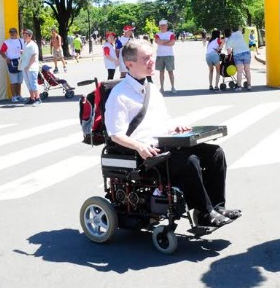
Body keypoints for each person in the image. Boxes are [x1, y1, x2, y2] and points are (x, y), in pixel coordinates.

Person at [105, 39, 240, 227]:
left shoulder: (152, 89)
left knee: (215, 153)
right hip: (144, 154)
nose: (152, 60)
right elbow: (115, 134)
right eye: (146, 58)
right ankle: (204, 212)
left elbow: (163, 121)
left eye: (152, 56)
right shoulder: (119, 95)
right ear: (129, 64)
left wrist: (176, 125)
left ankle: (217, 206)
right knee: (189, 161)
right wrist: (139, 146)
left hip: (166, 143)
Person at [0, 27, 24, 103]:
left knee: (19, 81)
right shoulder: (6, 42)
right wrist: (6, 58)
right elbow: (1, 51)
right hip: (12, 62)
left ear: (17, 33)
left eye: (13, 32)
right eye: (10, 32)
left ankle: (19, 95)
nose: (12, 34)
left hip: (20, 61)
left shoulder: (22, 41)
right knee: (13, 81)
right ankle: (14, 97)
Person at [224, 27, 252, 91]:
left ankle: (239, 87)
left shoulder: (228, 41)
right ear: (231, 31)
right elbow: (240, 28)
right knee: (247, 70)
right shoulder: (238, 33)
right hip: (246, 52)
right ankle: (249, 85)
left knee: (240, 71)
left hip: (237, 55)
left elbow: (229, 52)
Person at [19, 29, 41, 106]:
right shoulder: (25, 44)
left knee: (33, 83)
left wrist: (29, 66)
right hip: (25, 67)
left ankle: (38, 99)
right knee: (28, 84)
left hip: (31, 67)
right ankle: (32, 98)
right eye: (23, 35)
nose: (24, 37)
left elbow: (34, 55)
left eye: (26, 35)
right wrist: (22, 52)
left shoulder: (33, 44)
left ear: (30, 36)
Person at [154, 19, 176, 94]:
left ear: (167, 26)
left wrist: (162, 42)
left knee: (170, 72)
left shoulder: (171, 34)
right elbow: (157, 41)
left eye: (164, 25)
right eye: (161, 25)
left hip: (169, 55)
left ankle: (173, 87)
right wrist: (167, 41)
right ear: (159, 26)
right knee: (161, 72)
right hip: (160, 55)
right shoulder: (157, 34)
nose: (163, 27)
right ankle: (162, 87)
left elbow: (172, 43)